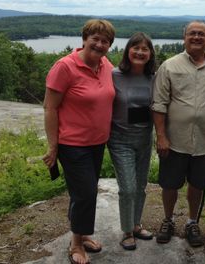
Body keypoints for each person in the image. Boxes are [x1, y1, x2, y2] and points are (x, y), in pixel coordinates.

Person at [42, 19, 116, 264]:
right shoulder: (65, 67)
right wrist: (53, 146)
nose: (99, 44)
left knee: (83, 192)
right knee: (86, 192)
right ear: (84, 39)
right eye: (94, 38)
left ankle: (82, 234)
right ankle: (75, 243)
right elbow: (50, 108)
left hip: (97, 142)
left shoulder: (105, 65)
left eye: (105, 41)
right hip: (72, 143)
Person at [151, 20, 205, 247]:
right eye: (192, 33)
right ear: (184, 38)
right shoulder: (169, 66)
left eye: (201, 34)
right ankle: (168, 220)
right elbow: (159, 103)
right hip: (174, 140)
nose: (196, 37)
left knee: (197, 184)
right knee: (170, 184)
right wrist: (161, 136)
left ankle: (193, 222)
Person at [107, 32, 157, 251]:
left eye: (145, 49)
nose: (140, 52)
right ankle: (127, 231)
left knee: (141, 186)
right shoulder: (114, 75)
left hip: (145, 138)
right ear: (128, 51)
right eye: (135, 47)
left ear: (150, 54)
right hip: (120, 140)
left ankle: (136, 225)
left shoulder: (154, 77)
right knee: (127, 188)